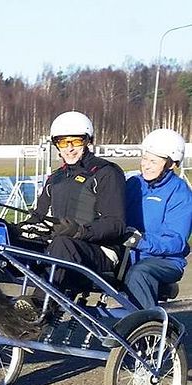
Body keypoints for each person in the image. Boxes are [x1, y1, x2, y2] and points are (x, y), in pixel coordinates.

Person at [16, 111, 126, 320]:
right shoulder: (55, 178)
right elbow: (37, 217)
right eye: (62, 142)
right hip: (61, 250)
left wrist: (80, 231)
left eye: (75, 141)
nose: (69, 148)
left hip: (100, 253)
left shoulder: (107, 173)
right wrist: (16, 229)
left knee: (62, 243)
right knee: (4, 239)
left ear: (88, 141)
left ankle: (40, 307)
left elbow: (116, 224)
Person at [123, 128, 192, 309]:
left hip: (165, 261)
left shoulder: (180, 193)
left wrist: (139, 240)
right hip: (128, 256)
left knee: (139, 273)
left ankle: (151, 327)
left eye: (153, 161)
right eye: (145, 159)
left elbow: (176, 241)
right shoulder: (133, 184)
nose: (145, 165)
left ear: (170, 164)